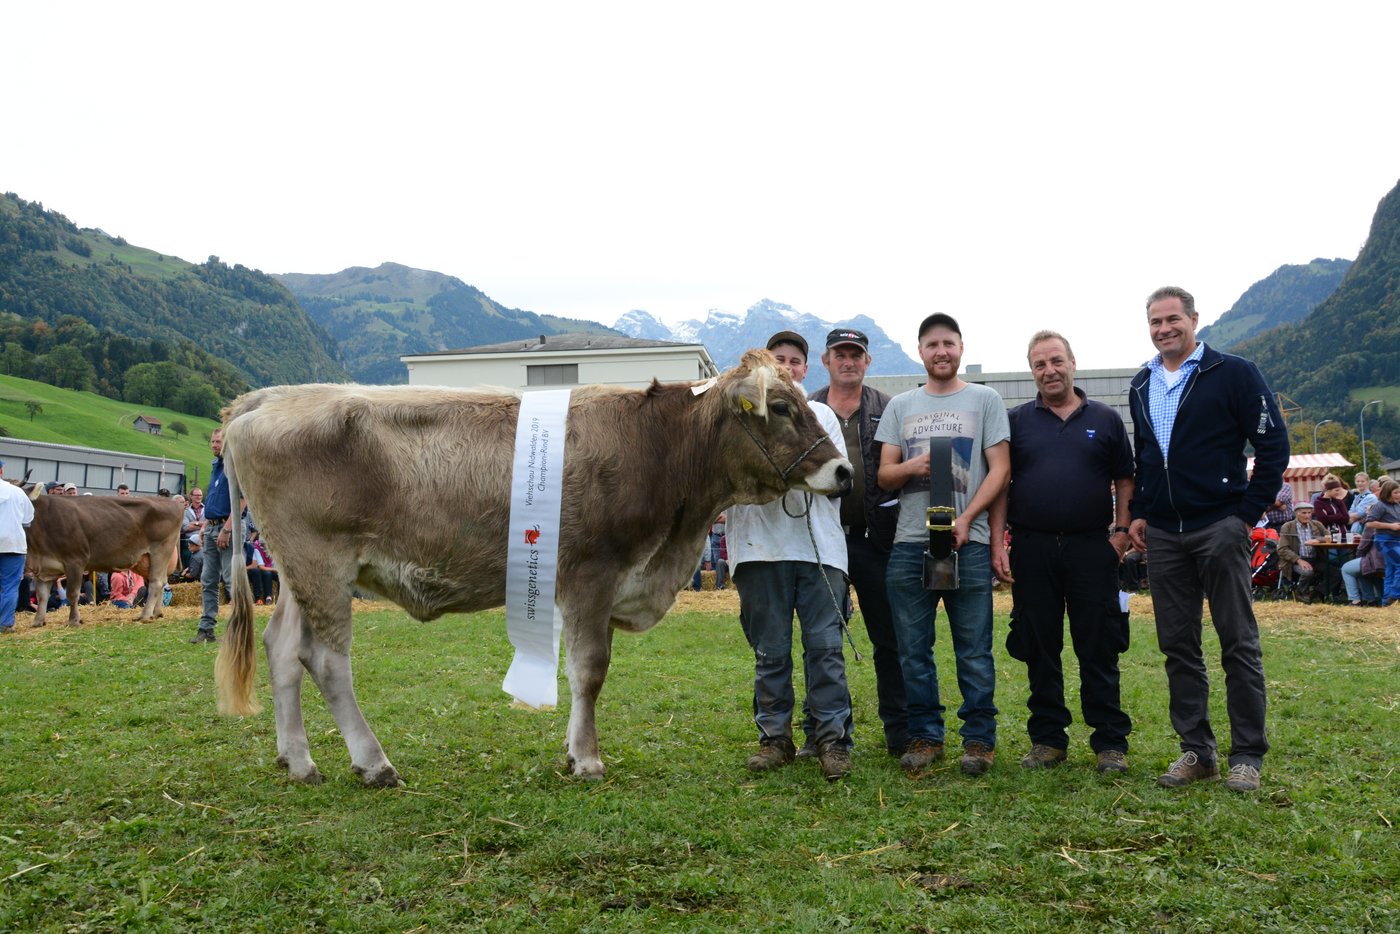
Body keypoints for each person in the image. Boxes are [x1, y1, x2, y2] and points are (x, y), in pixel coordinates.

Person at [1126, 286, 1288, 793]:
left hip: (1220, 525)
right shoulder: (1140, 383)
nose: (1164, 329)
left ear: (1194, 319)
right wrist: (1139, 512)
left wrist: (1244, 516)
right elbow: (1147, 459)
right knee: (1178, 646)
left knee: (1238, 642)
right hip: (1164, 533)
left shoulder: (1234, 373)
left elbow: (1273, 446)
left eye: (1172, 319)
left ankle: (1247, 756)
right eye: (1155, 322)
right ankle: (1197, 751)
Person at [989, 330, 1134, 774]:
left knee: (1099, 644)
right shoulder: (1015, 421)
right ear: (1031, 371)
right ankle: (1048, 739)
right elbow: (1000, 483)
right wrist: (998, 541)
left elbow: (1125, 478)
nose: (1049, 370)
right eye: (1040, 364)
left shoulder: (1106, 418)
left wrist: (1121, 533)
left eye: (1056, 361)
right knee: (1038, 645)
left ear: (1073, 363)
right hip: (1031, 547)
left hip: (1092, 547)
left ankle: (1109, 742)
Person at [876, 313, 1010, 777]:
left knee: (973, 649)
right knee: (913, 650)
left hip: (966, 542)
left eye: (948, 344)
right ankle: (925, 737)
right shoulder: (901, 406)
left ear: (961, 348)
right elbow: (884, 475)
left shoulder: (985, 399)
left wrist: (969, 519)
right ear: (920, 351)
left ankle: (979, 740)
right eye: (932, 345)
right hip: (910, 542)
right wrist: (913, 468)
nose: (941, 352)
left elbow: (1000, 470)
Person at [728, 330, 854, 782]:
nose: (786, 367)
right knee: (770, 652)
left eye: (794, 361)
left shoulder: (822, 415)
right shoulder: (740, 416)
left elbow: (833, 477)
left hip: (819, 549)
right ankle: (774, 740)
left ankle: (832, 741)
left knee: (826, 650)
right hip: (758, 549)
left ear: (806, 368)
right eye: (777, 359)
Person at [809, 326, 909, 759]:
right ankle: (822, 732)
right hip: (823, 541)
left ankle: (900, 730)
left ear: (868, 361)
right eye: (840, 354)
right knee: (821, 641)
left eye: (856, 355)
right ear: (826, 361)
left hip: (877, 541)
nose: (848, 362)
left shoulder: (888, 407)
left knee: (889, 639)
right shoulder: (808, 409)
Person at [193, 429, 234, 644]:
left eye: (218, 441)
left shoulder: (234, 464)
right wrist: (205, 526)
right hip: (212, 527)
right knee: (208, 580)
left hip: (229, 527)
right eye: (212, 441)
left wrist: (227, 529)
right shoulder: (216, 466)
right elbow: (214, 500)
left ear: (227, 443)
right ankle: (206, 628)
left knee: (231, 580)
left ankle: (238, 629)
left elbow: (243, 499)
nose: (214, 445)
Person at [0, 459, 35, 635]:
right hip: (13, 544)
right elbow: (28, 518)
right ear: (1, 471)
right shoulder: (17, 492)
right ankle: (5, 623)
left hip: (13, 545)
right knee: (10, 586)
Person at [1276, 503, 1327, 602]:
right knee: (1307, 572)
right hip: (1294, 561)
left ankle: (1315, 593)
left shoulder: (1317, 524)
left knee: (1336, 573)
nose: (1307, 515)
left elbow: (1329, 537)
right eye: (1304, 513)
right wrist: (1298, 560)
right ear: (1296, 513)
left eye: (1309, 513)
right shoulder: (1288, 526)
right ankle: (1300, 592)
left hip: (1315, 559)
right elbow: (1282, 549)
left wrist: (1318, 540)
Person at [1364, 478, 1400, 607]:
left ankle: (1387, 603)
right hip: (1385, 540)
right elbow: (1369, 523)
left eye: (1399, 492)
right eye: (1395, 492)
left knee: (1391, 570)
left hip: (1396, 540)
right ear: (1387, 493)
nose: (1398, 495)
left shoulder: (1397, 505)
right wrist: (1391, 526)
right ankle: (1395, 596)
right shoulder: (1379, 505)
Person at [1341, 526, 1384, 607]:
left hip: (1378, 560)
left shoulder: (1372, 524)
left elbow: (1363, 545)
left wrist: (1359, 555)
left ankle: (1355, 600)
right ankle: (1371, 600)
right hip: (1390, 559)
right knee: (1362, 567)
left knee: (1346, 568)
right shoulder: (1393, 522)